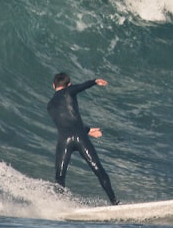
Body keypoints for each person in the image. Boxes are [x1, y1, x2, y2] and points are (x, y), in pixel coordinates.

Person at [47, 72, 119, 205]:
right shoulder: (69, 91)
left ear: (53, 85)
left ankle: (59, 205)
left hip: (64, 142)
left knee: (59, 178)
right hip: (80, 138)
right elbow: (81, 86)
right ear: (68, 84)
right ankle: (114, 202)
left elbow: (67, 122)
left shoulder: (50, 105)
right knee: (98, 170)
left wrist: (88, 130)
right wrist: (95, 81)